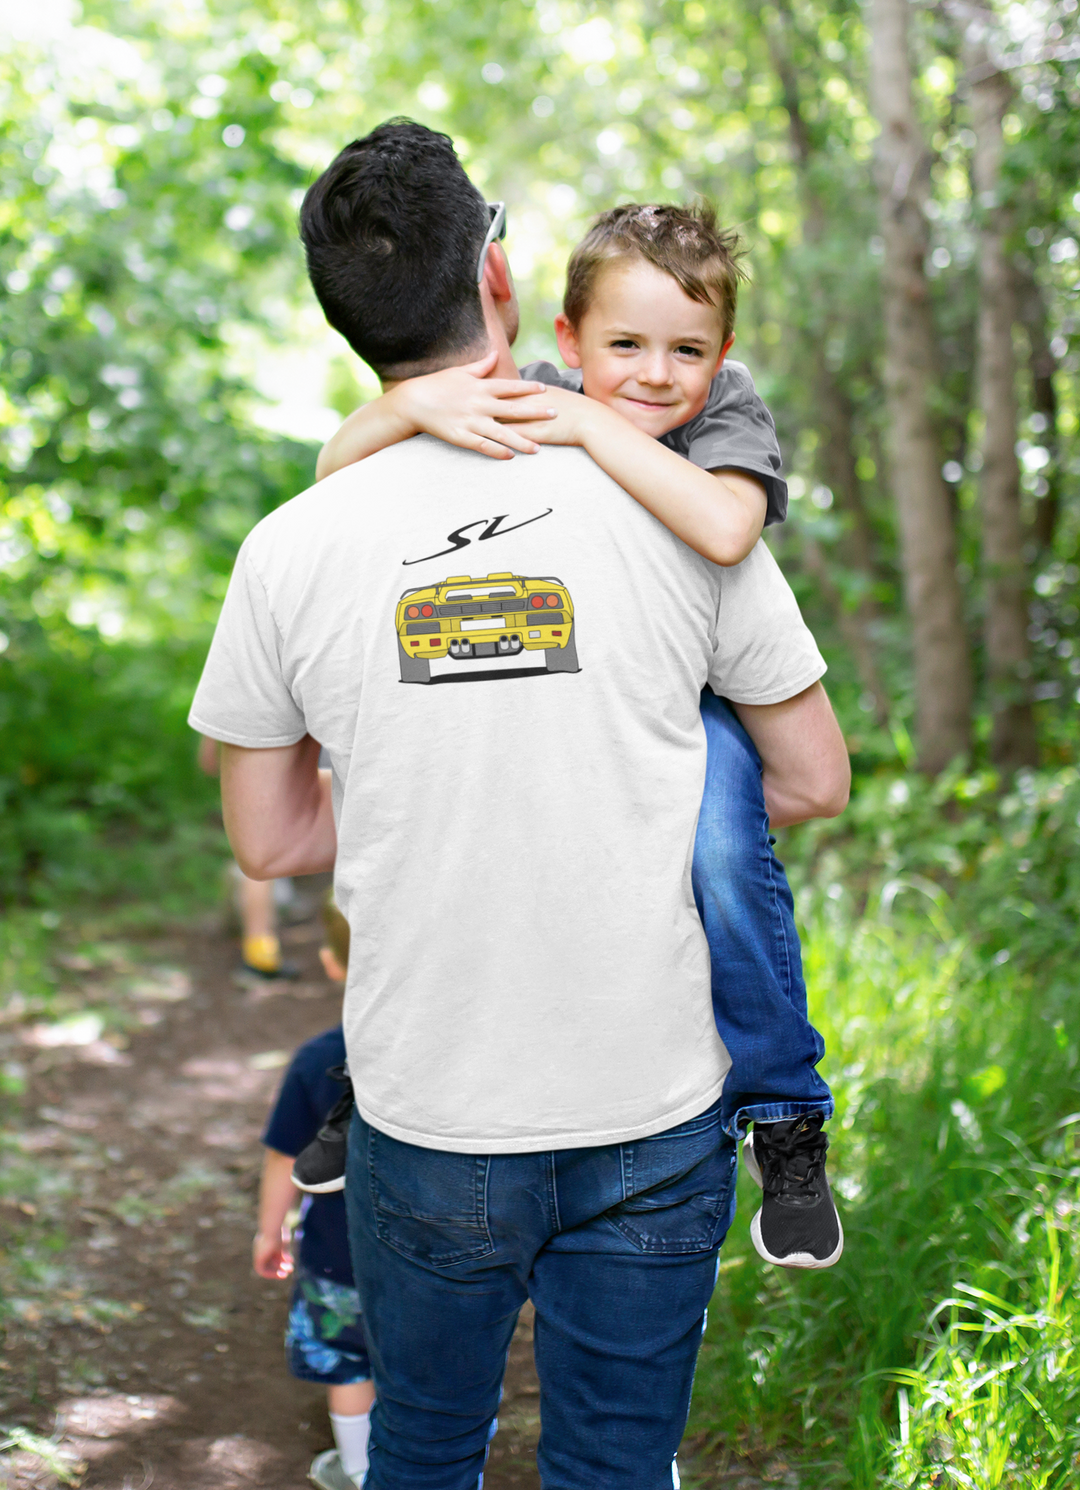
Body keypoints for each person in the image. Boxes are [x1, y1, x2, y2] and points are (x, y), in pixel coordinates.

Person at [189, 119, 850, 1489]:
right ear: (505, 281)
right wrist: (624, 807)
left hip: (430, 1111)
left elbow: (270, 836)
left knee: (422, 1446)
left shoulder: (291, 545)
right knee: (619, 1459)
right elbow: (812, 778)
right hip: (654, 1104)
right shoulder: (668, 507)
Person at [301, 200, 841, 1271]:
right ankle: (368, 1082)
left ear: (723, 355)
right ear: (567, 342)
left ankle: (785, 1114)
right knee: (457, 839)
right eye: (624, 347)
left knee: (729, 857)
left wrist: (593, 429)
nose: (653, 373)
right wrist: (423, 406)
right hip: (557, 693)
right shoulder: (533, 397)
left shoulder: (719, 411)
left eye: (685, 348)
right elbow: (334, 471)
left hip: (689, 703)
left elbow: (728, 529)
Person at [253, 896, 373, 1490]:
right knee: (430, 1367)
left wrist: (269, 1231)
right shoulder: (443, 1059)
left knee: (349, 1367)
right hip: (432, 1254)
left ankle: (357, 1469)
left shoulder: (318, 1059)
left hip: (337, 1256)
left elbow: (283, 1158)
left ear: (332, 963)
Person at [197, 734, 298, 982]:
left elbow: (207, 760)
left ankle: (258, 951)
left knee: (256, 862)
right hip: (271, 772)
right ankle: (259, 956)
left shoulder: (222, 694)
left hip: (246, 776)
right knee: (260, 866)